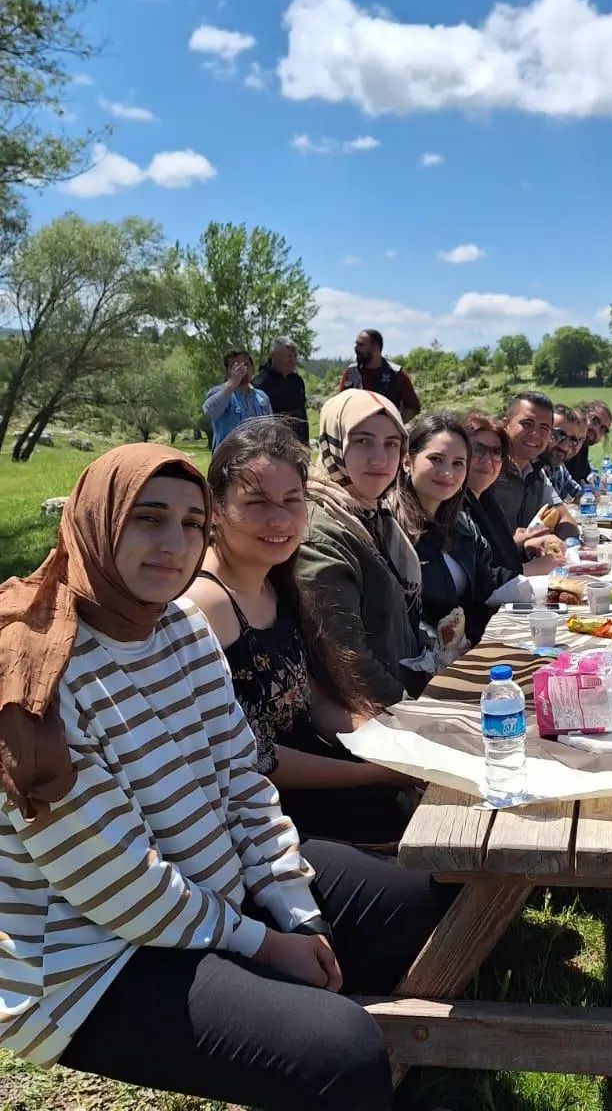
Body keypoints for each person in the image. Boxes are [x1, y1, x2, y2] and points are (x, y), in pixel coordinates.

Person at [0, 443, 440, 1109]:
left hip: (210, 885)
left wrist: (293, 905)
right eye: (146, 519)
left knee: (406, 904)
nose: (171, 544)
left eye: (188, 524)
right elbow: (114, 881)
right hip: (86, 959)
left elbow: (243, 780)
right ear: (95, 520)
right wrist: (263, 943)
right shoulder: (34, 679)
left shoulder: (179, 627)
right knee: (340, 1050)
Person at [186, 419, 415, 845]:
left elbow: (312, 700)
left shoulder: (277, 583)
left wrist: (392, 748)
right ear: (215, 509)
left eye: (292, 500)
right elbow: (251, 757)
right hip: (264, 813)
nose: (278, 518)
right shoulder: (209, 605)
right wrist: (372, 772)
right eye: (256, 503)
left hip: (320, 771)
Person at [294, 389, 436, 704]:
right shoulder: (321, 533)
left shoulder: (374, 514)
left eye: (391, 444)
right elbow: (348, 660)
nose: (379, 459)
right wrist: (414, 716)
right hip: (372, 724)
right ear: (333, 442)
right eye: (362, 441)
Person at [396, 412, 555, 645]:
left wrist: (548, 589)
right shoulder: (392, 529)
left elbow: (487, 583)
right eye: (436, 459)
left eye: (457, 463)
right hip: (421, 666)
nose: (447, 472)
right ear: (408, 462)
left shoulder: (460, 524)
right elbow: (399, 621)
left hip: (466, 651)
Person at [491, 391, 578, 545]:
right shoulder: (490, 468)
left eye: (544, 428)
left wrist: (569, 545)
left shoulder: (536, 472)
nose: (535, 434)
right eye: (526, 424)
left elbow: (565, 519)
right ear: (505, 425)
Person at [461, 410, 528, 572]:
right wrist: (529, 569)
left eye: (496, 452)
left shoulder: (486, 500)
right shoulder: (455, 507)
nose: (487, 459)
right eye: (478, 449)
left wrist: (524, 546)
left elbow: (496, 556)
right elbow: (479, 578)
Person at [338, 329, 421, 423]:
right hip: (354, 432)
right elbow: (339, 404)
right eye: (356, 344)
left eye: (360, 345)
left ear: (374, 348)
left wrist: (395, 425)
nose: (356, 348)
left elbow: (413, 407)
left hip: (384, 435)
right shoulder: (351, 372)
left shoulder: (396, 374)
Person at [202, 348, 272, 450]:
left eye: (246, 365)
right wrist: (232, 384)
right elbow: (210, 411)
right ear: (227, 372)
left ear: (253, 368)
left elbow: (271, 430)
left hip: (258, 460)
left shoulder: (262, 397)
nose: (242, 369)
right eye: (235, 366)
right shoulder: (219, 392)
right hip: (228, 462)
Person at [253, 335, 310, 444]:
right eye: (288, 356)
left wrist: (305, 444)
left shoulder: (297, 381)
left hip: (298, 444)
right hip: (273, 446)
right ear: (273, 356)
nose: (292, 360)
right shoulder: (260, 383)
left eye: (295, 356)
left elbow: (302, 413)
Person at [543, 404, 587, 501]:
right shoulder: (528, 469)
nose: (565, 447)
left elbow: (581, 494)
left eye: (572, 440)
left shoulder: (558, 467)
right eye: (559, 435)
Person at [566, 399, 612, 483]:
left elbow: (586, 478)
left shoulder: (583, 447)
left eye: (603, 429)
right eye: (594, 420)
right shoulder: (560, 446)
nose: (596, 430)